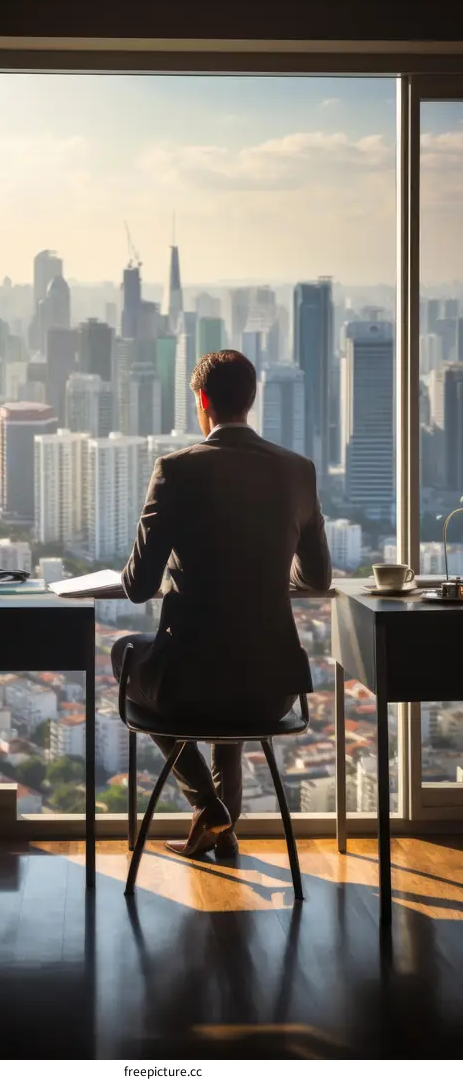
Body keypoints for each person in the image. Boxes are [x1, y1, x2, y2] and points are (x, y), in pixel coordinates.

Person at [111, 350, 331, 858]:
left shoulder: (175, 470)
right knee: (228, 674)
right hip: (271, 690)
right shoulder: (298, 471)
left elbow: (138, 585)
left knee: (125, 651)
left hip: (189, 686)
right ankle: (223, 830)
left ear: (202, 402)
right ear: (250, 400)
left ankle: (208, 805)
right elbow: (316, 577)